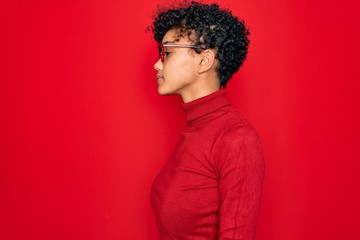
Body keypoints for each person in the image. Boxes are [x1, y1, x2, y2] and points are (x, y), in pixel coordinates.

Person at [149, 1, 265, 239]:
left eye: (167, 53)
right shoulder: (195, 131)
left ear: (204, 61)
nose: (157, 64)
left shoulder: (236, 139)